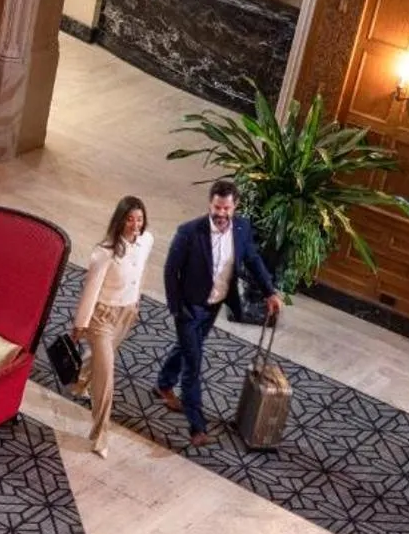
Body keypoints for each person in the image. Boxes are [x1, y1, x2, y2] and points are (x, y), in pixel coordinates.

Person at [155, 179, 281, 448]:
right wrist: (177, 309)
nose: (221, 213)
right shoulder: (189, 232)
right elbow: (170, 271)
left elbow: (253, 260)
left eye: (226, 208)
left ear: (234, 207)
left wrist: (270, 292)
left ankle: (164, 384)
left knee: (190, 348)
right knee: (194, 363)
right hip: (189, 309)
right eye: (216, 207)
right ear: (209, 204)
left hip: (214, 305)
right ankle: (196, 426)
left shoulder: (242, 228)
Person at [73, 196, 153, 456]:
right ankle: (100, 435)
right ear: (120, 221)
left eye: (139, 219)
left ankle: (82, 381)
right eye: (130, 219)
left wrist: (136, 301)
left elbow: (141, 271)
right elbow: (90, 292)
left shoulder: (146, 242)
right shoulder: (104, 252)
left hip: (126, 314)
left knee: (100, 360)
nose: (135, 224)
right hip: (102, 318)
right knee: (107, 376)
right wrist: (81, 324)